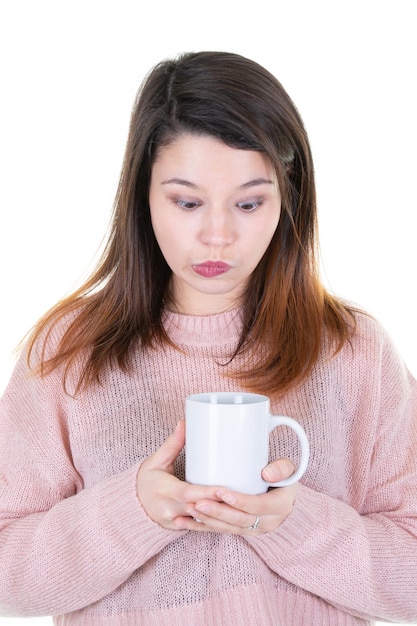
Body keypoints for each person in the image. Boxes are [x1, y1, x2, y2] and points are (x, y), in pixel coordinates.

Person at [0, 51, 416, 626]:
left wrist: (288, 521)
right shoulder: (69, 352)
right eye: (187, 202)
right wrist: (135, 510)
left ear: (287, 200)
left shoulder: (352, 352)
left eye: (249, 202)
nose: (217, 235)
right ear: (143, 198)